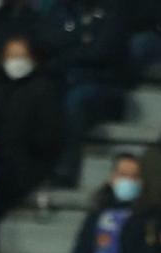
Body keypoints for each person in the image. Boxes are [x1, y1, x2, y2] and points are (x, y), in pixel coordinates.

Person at [41, 0, 132, 187]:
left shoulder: (114, 10)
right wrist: (80, 40)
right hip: (65, 78)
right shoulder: (62, 8)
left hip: (105, 86)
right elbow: (46, 40)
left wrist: (69, 45)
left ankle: (67, 169)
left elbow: (100, 52)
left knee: (76, 100)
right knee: (39, 94)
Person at [0, 34, 62, 215]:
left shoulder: (44, 90)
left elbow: (47, 137)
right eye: (12, 56)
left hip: (26, 164)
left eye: (21, 56)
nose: (16, 61)